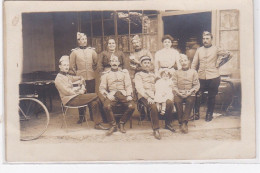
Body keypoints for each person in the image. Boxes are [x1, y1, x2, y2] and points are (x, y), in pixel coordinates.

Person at [55, 56, 108, 130]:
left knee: (94, 102)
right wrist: (78, 91)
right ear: (60, 66)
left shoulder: (66, 75)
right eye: (64, 65)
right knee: (95, 95)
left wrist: (80, 77)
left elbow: (73, 78)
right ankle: (106, 118)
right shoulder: (58, 79)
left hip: (75, 97)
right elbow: (67, 91)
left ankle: (98, 124)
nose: (66, 67)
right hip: (70, 100)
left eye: (67, 65)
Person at [191, 31, 232, 121]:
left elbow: (229, 55)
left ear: (211, 39)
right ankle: (196, 114)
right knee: (197, 94)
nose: (205, 40)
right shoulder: (199, 50)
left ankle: (209, 114)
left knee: (211, 96)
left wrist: (219, 64)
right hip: (201, 76)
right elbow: (194, 63)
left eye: (207, 38)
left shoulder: (216, 49)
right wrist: (192, 75)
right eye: (204, 38)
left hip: (214, 76)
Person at [134, 56, 175, 140]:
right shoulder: (138, 75)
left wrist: (167, 87)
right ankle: (156, 129)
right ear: (141, 65)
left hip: (156, 95)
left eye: (148, 63)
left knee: (169, 102)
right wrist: (148, 97)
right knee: (152, 106)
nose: (147, 65)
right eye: (145, 63)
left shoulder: (153, 75)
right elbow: (139, 88)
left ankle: (167, 123)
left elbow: (160, 84)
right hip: (144, 96)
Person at [99, 55, 135, 136]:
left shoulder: (124, 73)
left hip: (123, 94)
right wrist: (107, 95)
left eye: (116, 61)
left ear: (119, 63)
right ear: (110, 63)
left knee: (132, 106)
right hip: (112, 94)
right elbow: (102, 88)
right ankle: (113, 125)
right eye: (112, 61)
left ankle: (121, 123)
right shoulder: (106, 74)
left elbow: (128, 85)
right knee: (106, 106)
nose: (114, 63)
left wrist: (129, 95)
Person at [69, 32, 98, 124]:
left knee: (91, 96)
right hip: (80, 79)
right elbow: (71, 66)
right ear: (78, 41)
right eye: (82, 39)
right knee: (80, 97)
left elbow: (96, 63)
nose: (84, 41)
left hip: (91, 77)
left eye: (85, 39)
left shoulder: (92, 51)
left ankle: (93, 115)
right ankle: (82, 117)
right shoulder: (74, 52)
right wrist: (77, 75)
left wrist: (91, 71)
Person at [172, 54, 200, 133]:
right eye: (181, 61)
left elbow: (196, 85)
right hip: (179, 92)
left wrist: (190, 92)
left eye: (185, 60)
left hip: (190, 92)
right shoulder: (176, 72)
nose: (183, 63)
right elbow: (174, 85)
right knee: (177, 101)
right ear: (180, 63)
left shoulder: (193, 72)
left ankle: (184, 122)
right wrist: (178, 92)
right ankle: (181, 122)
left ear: (188, 61)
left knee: (190, 101)